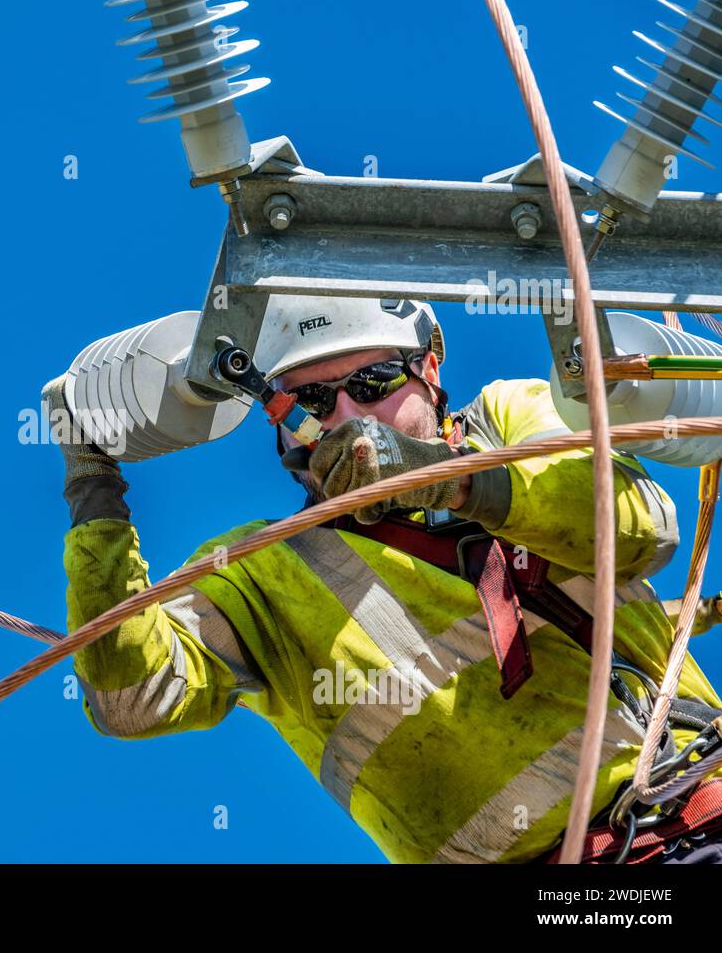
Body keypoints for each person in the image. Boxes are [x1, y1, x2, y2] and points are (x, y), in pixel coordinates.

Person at [46, 295, 722, 864]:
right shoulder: (261, 572)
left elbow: (640, 530)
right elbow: (131, 698)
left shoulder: (507, 422)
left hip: (699, 809)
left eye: (371, 385)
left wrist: (450, 479)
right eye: (312, 398)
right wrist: (93, 490)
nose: (346, 415)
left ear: (429, 369)